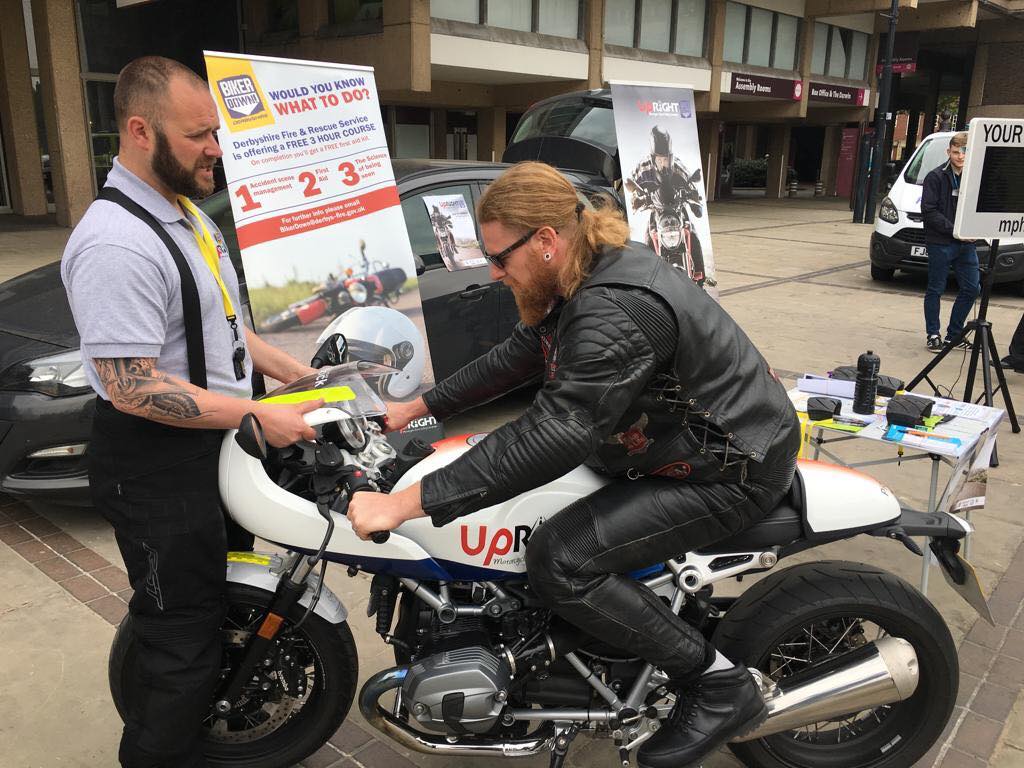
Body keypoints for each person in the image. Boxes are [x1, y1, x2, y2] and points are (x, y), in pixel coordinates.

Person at [347, 161, 800, 768]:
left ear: (545, 241)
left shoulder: (612, 307)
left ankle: (718, 684)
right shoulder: (582, 276)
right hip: (672, 449)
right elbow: (521, 354)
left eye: (499, 257)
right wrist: (417, 408)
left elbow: (559, 429)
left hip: (730, 468)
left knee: (561, 559)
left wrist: (405, 503)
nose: (493, 270)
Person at [61, 56, 321, 768]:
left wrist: (300, 375)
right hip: (155, 467)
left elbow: (223, 329)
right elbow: (132, 387)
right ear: (141, 131)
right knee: (182, 641)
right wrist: (256, 416)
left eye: (217, 130)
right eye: (199, 134)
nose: (217, 147)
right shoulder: (117, 243)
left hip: (213, 449)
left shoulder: (186, 214)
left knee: (225, 605)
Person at [921, 132, 979, 352]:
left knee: (972, 288)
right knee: (936, 288)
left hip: (966, 243)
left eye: (963, 152)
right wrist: (955, 231)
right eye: (955, 152)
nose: (960, 157)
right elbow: (929, 211)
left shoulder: (973, 177)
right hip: (941, 242)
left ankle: (954, 335)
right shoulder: (935, 177)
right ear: (949, 152)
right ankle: (933, 334)